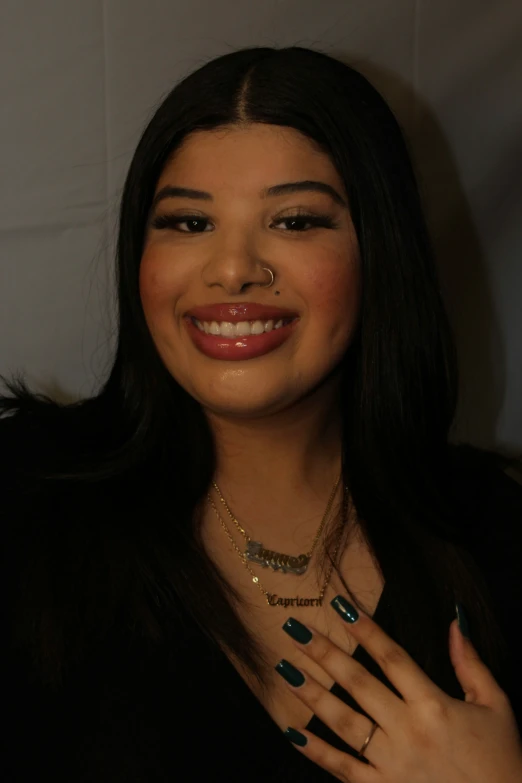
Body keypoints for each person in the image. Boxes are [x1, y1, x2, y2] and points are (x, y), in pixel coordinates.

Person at [1, 45, 522, 783]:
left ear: (380, 250)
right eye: (186, 223)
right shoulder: (25, 495)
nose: (233, 267)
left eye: (296, 220)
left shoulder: (497, 536)